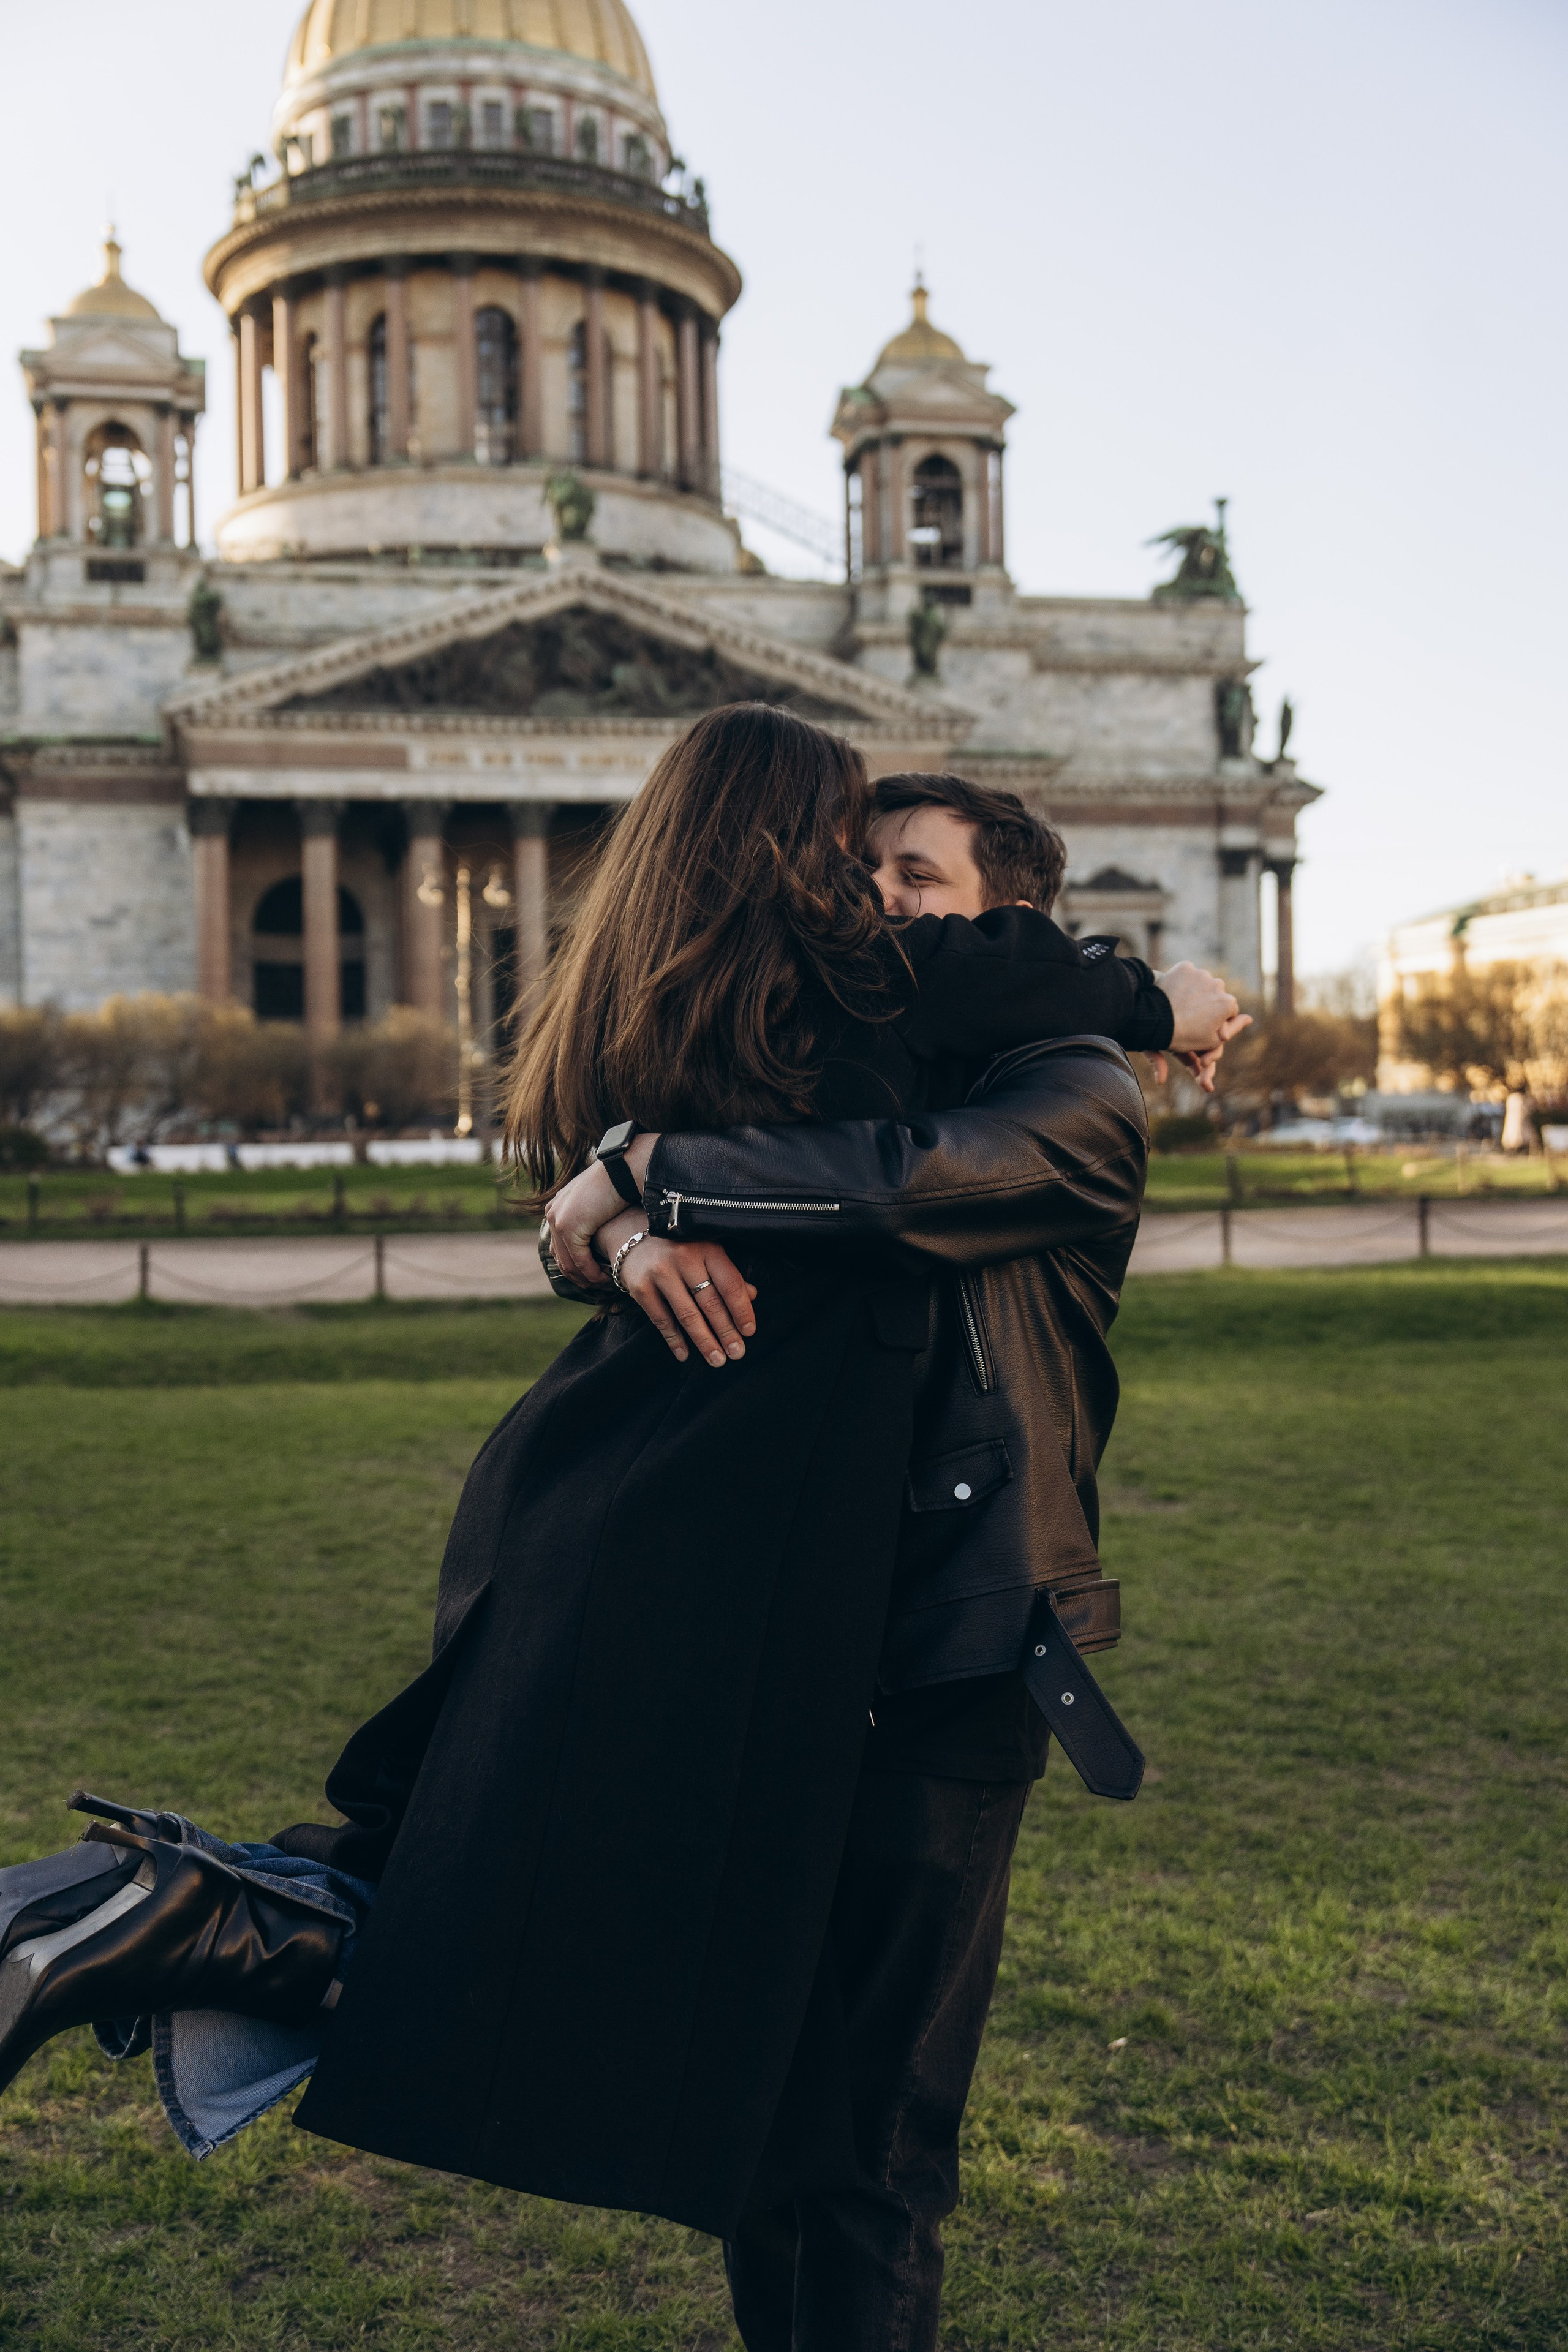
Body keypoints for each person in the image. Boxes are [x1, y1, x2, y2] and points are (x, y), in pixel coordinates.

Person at [0, 709, 1240, 2346]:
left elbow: (902, 1182)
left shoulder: (1067, 1086)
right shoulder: (809, 1049)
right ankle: (176, 1911)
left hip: (929, 1654)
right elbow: (790, 1157)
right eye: (853, 867)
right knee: (723, 2076)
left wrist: (640, 1177)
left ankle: (190, 1913)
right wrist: (616, 1209)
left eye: (912, 878)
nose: (868, 904)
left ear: (1015, 919)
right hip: (755, 1621)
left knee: (832, 2127)